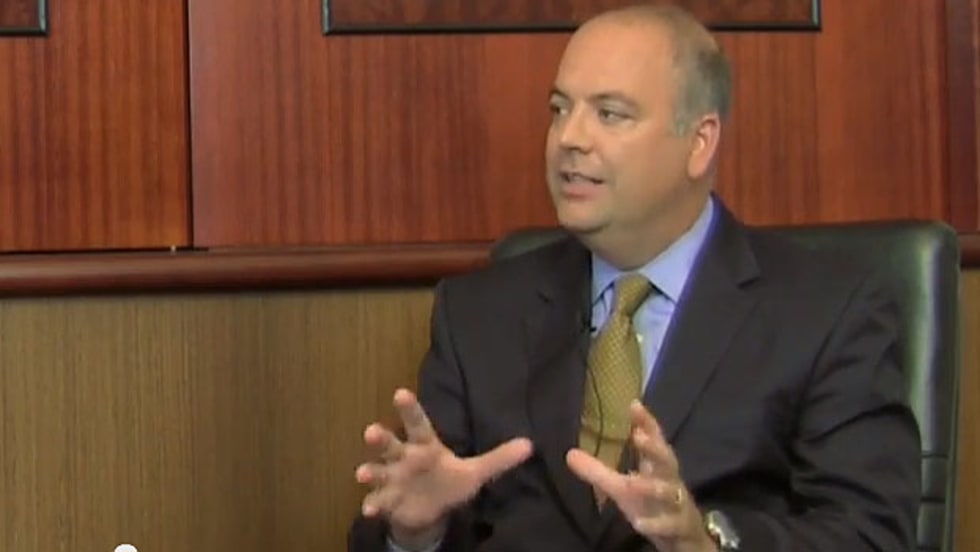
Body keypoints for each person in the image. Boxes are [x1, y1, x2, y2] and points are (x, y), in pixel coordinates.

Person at [348, 3, 921, 551]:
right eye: (559, 109)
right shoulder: (479, 314)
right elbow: (407, 515)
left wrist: (706, 543)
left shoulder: (827, 311)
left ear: (699, 143)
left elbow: (869, 537)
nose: (570, 138)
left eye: (610, 114)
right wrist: (416, 535)